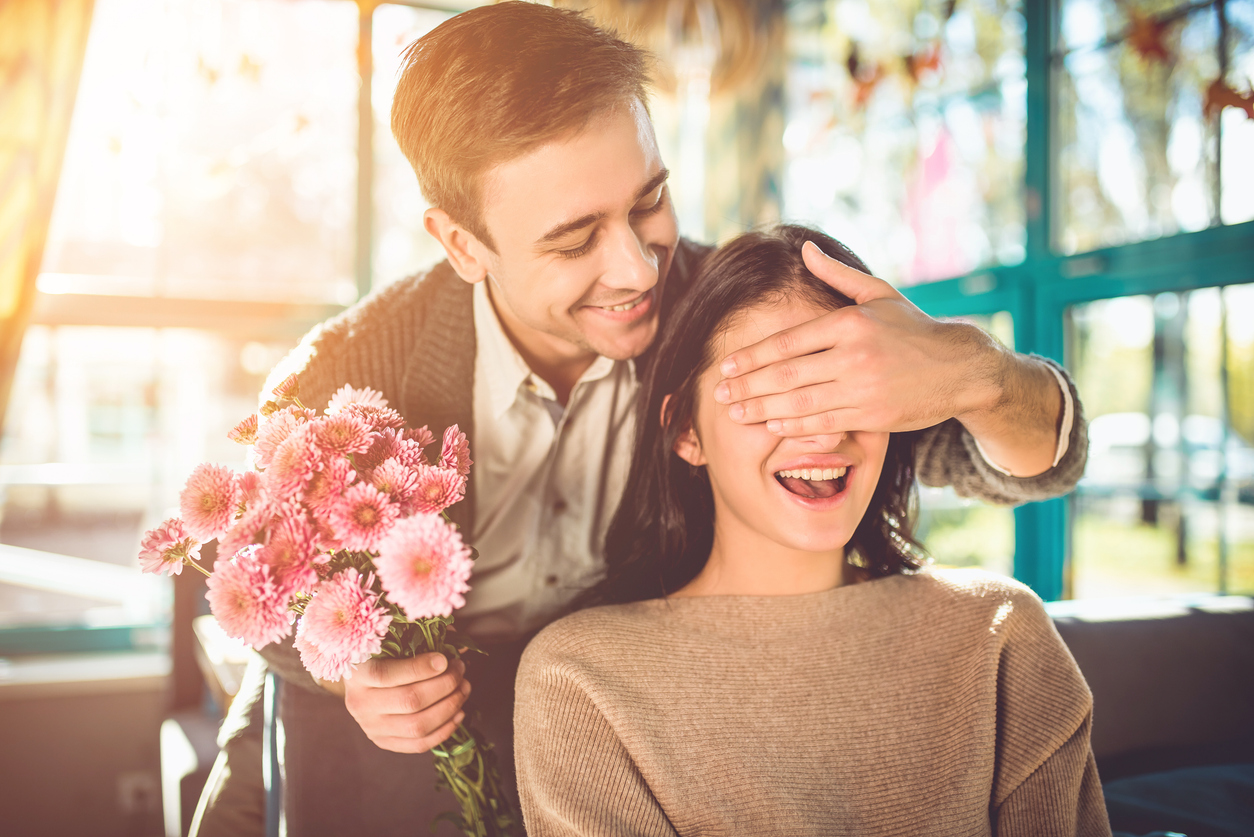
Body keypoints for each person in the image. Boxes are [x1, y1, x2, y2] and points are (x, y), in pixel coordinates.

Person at [190, 4, 1089, 836]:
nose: (636, 268)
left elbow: (1025, 460)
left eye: (647, 202)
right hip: (359, 754)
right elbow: (247, 587)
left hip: (604, 737)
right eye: (575, 239)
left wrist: (976, 373)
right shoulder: (346, 377)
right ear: (462, 243)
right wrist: (350, 670)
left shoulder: (728, 319)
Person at [513, 224, 1109, 836]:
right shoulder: (581, 678)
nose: (824, 435)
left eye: (844, 391)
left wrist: (971, 365)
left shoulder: (1000, 635)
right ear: (686, 432)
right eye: (777, 393)